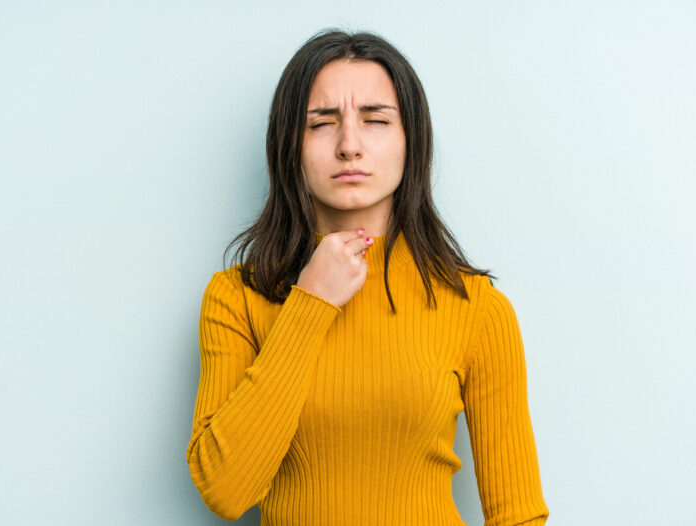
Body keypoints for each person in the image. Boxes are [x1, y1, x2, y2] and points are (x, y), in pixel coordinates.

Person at [186, 28, 550, 526]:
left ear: (410, 141)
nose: (349, 146)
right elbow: (226, 491)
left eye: (376, 120)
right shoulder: (235, 298)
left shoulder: (477, 307)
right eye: (321, 123)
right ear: (288, 143)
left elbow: (519, 515)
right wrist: (310, 304)